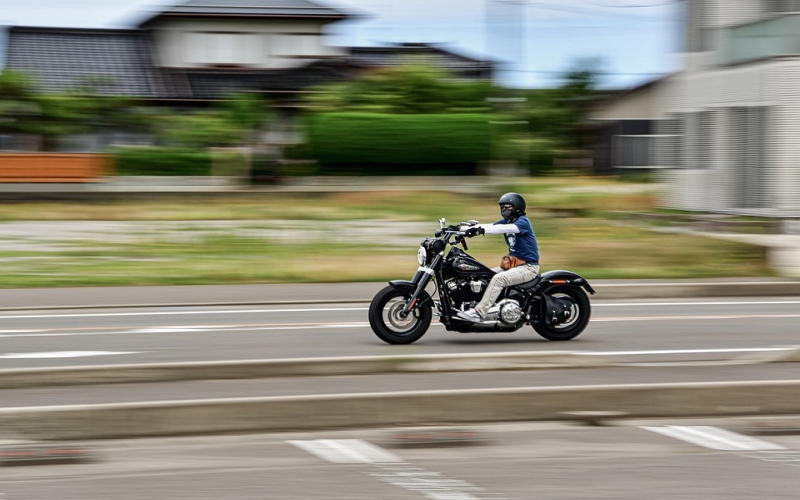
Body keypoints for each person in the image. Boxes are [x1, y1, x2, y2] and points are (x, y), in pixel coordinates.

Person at [457, 192, 540, 323]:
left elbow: (502, 229)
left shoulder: (522, 222)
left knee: (498, 279)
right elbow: (491, 226)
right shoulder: (508, 221)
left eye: (507, 207)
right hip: (515, 266)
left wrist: (481, 230)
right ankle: (479, 306)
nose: (504, 210)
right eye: (502, 207)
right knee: (483, 274)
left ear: (517, 207)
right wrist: (462, 229)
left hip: (528, 267)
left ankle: (479, 313)